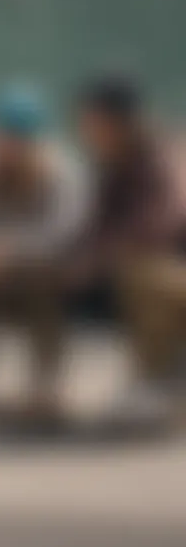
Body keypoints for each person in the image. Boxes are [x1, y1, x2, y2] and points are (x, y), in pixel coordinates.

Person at [0, 84, 88, 424]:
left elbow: (65, 228)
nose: (7, 144)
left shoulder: (62, 169)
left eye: (17, 137)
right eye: (2, 134)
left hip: (39, 269)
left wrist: (11, 250)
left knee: (44, 276)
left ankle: (47, 383)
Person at [71, 75, 186, 422]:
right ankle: (155, 381)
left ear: (118, 120)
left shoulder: (159, 157)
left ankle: (159, 383)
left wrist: (98, 257)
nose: (87, 129)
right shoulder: (114, 165)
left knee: (141, 271)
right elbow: (96, 226)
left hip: (170, 273)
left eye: (94, 120)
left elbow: (158, 223)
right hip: (154, 272)